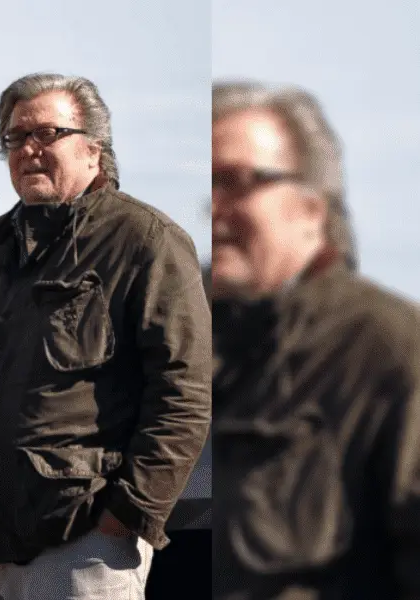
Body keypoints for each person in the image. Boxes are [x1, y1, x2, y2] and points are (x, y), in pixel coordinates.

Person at [0, 73, 213, 600]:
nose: (27, 149)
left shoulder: (145, 241)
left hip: (79, 545)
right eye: (14, 138)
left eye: (46, 133)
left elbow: (183, 392)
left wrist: (129, 513)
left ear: (94, 149)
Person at [210, 80, 420, 599]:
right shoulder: (181, 341)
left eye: (235, 182)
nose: (214, 211)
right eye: (207, 185)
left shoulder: (388, 350)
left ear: (311, 210)